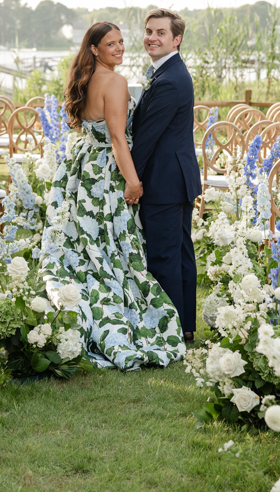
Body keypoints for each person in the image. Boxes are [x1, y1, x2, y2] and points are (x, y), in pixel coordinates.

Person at [39, 21, 185, 370]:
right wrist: (132, 182)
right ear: (94, 49)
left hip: (81, 167)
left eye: (121, 42)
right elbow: (118, 139)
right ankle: (117, 318)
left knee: (89, 242)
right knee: (111, 242)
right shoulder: (116, 82)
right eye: (110, 44)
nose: (119, 48)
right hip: (105, 170)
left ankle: (82, 301)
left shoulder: (85, 79)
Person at [130, 8, 201, 343]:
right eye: (148, 31)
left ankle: (170, 331)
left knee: (164, 256)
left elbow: (146, 139)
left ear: (177, 38)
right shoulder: (161, 71)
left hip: (165, 181)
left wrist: (131, 179)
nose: (151, 38)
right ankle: (185, 326)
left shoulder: (171, 80)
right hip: (176, 177)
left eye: (160, 33)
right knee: (179, 253)